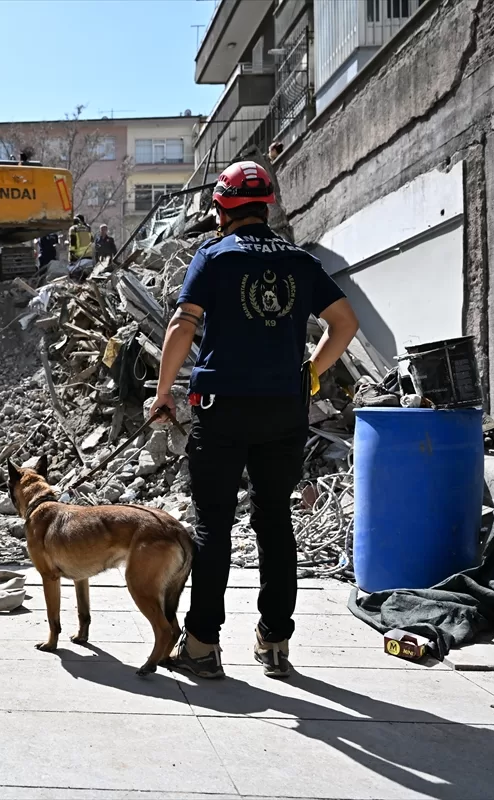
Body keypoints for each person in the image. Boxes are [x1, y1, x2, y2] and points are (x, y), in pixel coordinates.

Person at [148, 161, 360, 680]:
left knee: (213, 525)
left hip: (222, 409)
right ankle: (276, 641)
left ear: (221, 208)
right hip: (283, 409)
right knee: (274, 520)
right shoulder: (300, 261)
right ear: (267, 207)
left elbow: (181, 323)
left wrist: (162, 393)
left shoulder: (213, 257)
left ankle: (201, 646)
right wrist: (312, 370)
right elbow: (345, 323)